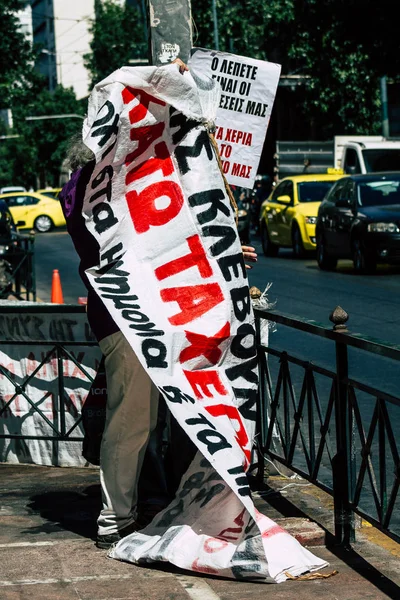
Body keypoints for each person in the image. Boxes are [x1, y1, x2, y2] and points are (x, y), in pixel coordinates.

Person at [59, 59, 258, 551]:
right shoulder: (86, 187)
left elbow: (170, 240)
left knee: (158, 412)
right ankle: (116, 515)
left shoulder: (130, 181)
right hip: (128, 320)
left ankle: (166, 503)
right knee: (134, 419)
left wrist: (223, 253)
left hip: (150, 317)